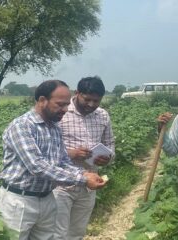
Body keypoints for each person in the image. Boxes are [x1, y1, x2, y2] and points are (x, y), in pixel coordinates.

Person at [0, 80, 106, 240]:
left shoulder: (54, 128)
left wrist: (85, 173)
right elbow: (37, 166)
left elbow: (62, 161)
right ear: (42, 100)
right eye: (60, 104)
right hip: (20, 201)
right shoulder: (22, 126)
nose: (66, 109)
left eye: (67, 104)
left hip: (47, 198)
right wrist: (82, 178)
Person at [54, 76, 115, 239]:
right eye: (87, 99)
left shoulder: (103, 115)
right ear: (77, 93)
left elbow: (110, 144)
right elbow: (48, 149)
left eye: (96, 101)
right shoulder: (61, 112)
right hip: (61, 184)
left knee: (77, 232)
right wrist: (71, 153)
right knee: (57, 233)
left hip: (89, 184)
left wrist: (108, 158)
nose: (91, 105)